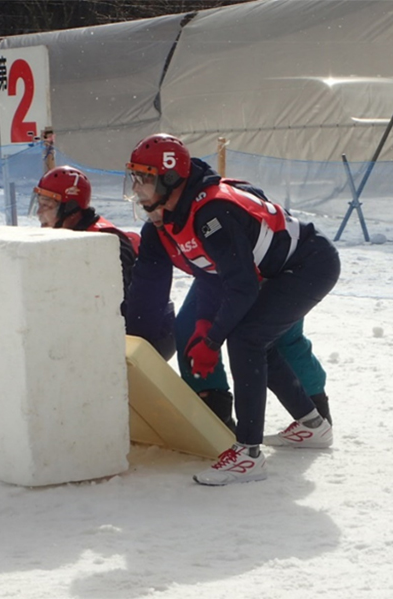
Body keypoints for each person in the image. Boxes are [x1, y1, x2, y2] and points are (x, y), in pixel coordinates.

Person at [124, 133, 340, 486]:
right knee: (255, 341)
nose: (137, 188)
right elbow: (215, 276)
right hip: (285, 269)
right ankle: (313, 424)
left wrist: (210, 341)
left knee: (246, 340)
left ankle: (248, 453)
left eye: (145, 178)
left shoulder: (211, 211)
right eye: (134, 177)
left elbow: (242, 287)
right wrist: (205, 327)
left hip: (308, 266)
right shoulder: (180, 212)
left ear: (170, 179)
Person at [31, 165, 138, 308]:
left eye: (46, 205)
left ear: (70, 208)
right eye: (39, 204)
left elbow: (119, 305)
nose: (39, 212)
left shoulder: (106, 242)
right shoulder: (67, 236)